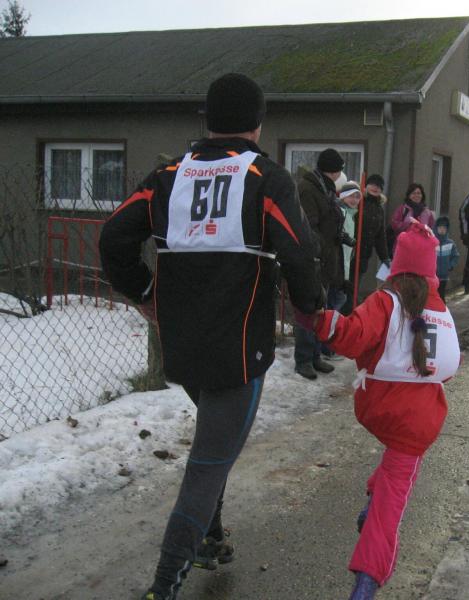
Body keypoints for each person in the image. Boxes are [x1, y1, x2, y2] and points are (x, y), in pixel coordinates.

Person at [98, 73, 323, 600]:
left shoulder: (167, 175)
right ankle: (163, 585)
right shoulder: (266, 177)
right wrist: (312, 309)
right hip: (239, 349)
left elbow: (112, 238)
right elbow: (299, 252)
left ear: (208, 120)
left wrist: (144, 291)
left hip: (182, 344)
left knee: (213, 441)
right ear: (258, 124)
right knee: (208, 462)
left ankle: (209, 537)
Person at [303, 221, 460, 600]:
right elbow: (449, 367)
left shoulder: (383, 301)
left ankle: (374, 494)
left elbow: (351, 337)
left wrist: (321, 319)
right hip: (418, 422)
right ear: (431, 271)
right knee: (393, 499)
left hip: (377, 407)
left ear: (396, 266)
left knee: (391, 468)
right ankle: (368, 579)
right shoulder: (441, 309)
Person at [294, 148, 346, 379]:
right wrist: (320, 250)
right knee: (309, 310)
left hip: (326, 260)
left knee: (321, 311)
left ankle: (315, 355)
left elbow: (329, 222)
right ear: (332, 171)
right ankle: (303, 359)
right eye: (339, 170)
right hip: (314, 260)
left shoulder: (326, 189)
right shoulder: (308, 189)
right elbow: (308, 226)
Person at [349, 174, 391, 308]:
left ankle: (349, 314)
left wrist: (385, 257)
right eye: (372, 184)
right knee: (345, 288)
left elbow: (380, 236)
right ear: (366, 186)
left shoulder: (379, 210)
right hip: (350, 252)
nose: (375, 188)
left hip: (363, 255)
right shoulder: (358, 202)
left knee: (354, 287)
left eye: (379, 186)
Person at [337, 181, 362, 316]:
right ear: (343, 196)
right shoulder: (341, 212)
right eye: (351, 196)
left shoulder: (351, 215)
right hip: (337, 265)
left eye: (357, 197)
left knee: (341, 299)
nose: (354, 200)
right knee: (339, 299)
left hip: (344, 265)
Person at [434, 215, 460, 303]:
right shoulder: (433, 243)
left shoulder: (450, 243)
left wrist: (450, 265)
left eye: (444, 228)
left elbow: (456, 256)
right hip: (433, 275)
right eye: (440, 228)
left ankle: (442, 309)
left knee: (441, 295)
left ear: (447, 229)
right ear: (436, 229)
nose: (442, 230)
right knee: (433, 295)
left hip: (444, 276)